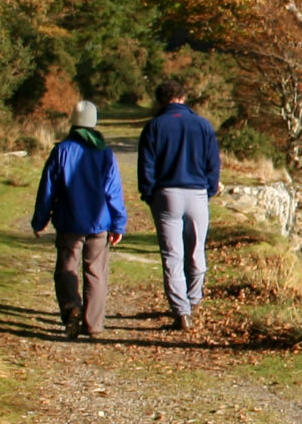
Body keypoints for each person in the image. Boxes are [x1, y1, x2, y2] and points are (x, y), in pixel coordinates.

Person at [33, 100, 126, 338]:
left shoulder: (62, 150)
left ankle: (71, 307)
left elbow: (48, 189)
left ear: (72, 123)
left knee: (66, 268)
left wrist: (40, 220)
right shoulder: (104, 152)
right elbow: (113, 191)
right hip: (99, 223)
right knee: (95, 272)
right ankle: (93, 325)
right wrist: (118, 223)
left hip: (69, 221)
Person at [137, 80, 220, 330]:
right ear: (183, 97)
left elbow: (146, 166)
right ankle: (193, 300)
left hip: (166, 194)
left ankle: (181, 310)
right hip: (196, 193)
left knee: (172, 255)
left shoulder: (154, 127)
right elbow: (213, 163)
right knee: (196, 251)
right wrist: (210, 189)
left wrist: (149, 194)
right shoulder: (203, 125)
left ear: (161, 100)